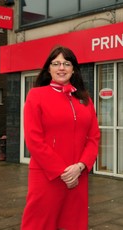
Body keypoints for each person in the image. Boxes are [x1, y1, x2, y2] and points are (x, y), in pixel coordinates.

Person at [21, 46, 100, 230]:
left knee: (74, 224)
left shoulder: (85, 99)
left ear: (74, 69)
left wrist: (80, 166)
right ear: (49, 69)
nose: (61, 68)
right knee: (39, 224)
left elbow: (93, 137)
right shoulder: (36, 95)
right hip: (48, 176)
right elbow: (34, 139)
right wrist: (62, 171)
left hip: (78, 176)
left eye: (66, 63)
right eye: (56, 63)